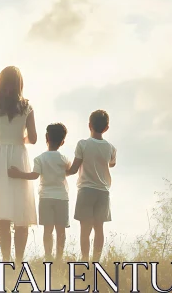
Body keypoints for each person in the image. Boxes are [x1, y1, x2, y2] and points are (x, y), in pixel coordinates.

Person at [0, 66, 37, 263]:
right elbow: (34, 139)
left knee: (3, 213)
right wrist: (21, 138)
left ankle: (5, 259)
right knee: (21, 211)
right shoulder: (26, 108)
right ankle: (19, 260)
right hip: (19, 157)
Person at [8, 122, 71, 262]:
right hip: (62, 197)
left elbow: (34, 175)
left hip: (46, 198)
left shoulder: (40, 158)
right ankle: (59, 258)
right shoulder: (64, 159)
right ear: (63, 141)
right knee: (61, 231)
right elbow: (69, 171)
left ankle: (48, 257)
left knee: (47, 230)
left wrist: (18, 173)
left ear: (46, 137)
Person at [66, 109, 116, 262]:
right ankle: (96, 261)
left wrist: (61, 172)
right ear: (106, 128)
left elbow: (74, 169)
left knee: (85, 229)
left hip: (86, 190)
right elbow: (112, 164)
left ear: (89, 125)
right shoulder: (111, 148)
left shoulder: (82, 144)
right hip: (103, 191)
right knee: (99, 228)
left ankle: (85, 259)